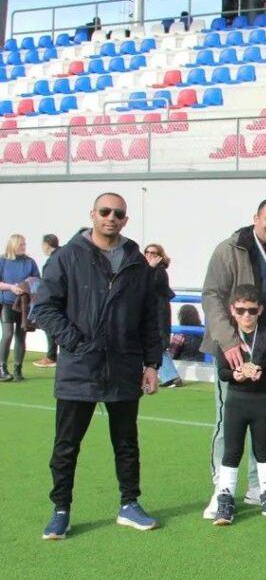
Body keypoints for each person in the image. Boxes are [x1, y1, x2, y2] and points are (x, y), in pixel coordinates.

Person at [34, 193, 162, 539]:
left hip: (123, 367)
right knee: (66, 445)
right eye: (105, 211)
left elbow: (150, 317)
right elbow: (43, 307)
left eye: (118, 213)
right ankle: (61, 510)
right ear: (92, 214)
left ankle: (129, 504)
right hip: (80, 367)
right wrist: (75, 342)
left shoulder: (136, 261)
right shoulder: (66, 257)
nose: (111, 218)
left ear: (125, 219)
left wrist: (152, 363)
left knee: (126, 442)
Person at [201, 198, 266, 518]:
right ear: (255, 218)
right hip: (239, 348)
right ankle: (222, 491)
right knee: (227, 423)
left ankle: (257, 486)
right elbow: (212, 295)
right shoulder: (231, 248)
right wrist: (229, 340)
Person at [211, 284, 266, 524]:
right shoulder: (227, 338)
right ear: (232, 310)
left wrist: (260, 370)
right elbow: (222, 372)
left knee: (263, 450)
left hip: (261, 403)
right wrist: (235, 375)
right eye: (241, 310)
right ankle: (225, 500)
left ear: (260, 310)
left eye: (252, 311)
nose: (246, 315)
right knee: (232, 451)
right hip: (236, 402)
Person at [0, 234, 40, 382]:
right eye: (21, 244)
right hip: (7, 302)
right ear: (14, 245)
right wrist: (11, 287)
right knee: (7, 333)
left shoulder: (30, 262)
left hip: (25, 303)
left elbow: (37, 280)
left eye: (25, 244)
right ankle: (2, 367)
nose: (24, 247)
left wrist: (27, 285)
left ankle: (18, 368)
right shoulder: (3, 261)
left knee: (21, 335)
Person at [143, 243, 182, 389]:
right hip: (152, 313)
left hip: (158, 314)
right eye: (147, 252)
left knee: (158, 345)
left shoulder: (159, 271)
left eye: (154, 253)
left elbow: (149, 286)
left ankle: (170, 377)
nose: (149, 255)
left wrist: (150, 268)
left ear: (160, 256)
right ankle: (169, 376)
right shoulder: (148, 270)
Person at [33, 234, 60, 368]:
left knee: (50, 325)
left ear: (46, 245)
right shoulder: (63, 255)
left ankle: (51, 356)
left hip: (55, 301)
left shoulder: (53, 261)